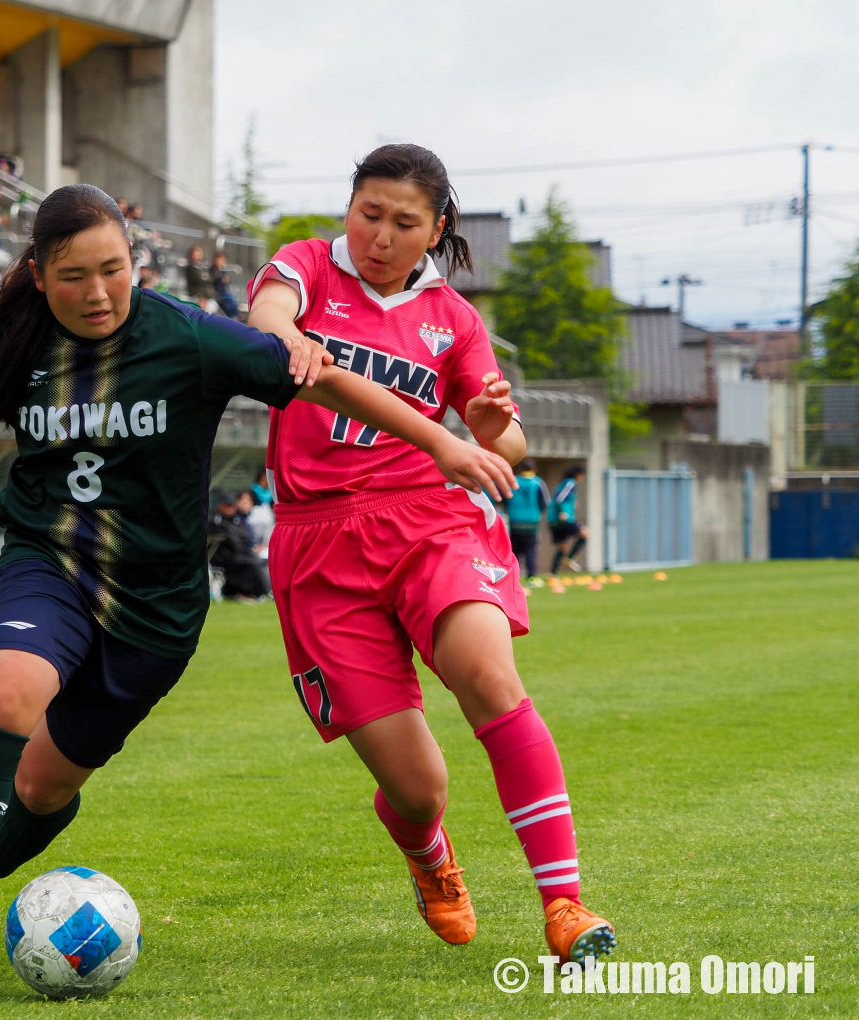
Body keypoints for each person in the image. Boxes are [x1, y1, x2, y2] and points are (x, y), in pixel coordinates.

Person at [0, 183, 514, 978]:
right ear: (38, 276)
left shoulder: (190, 337)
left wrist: (439, 441)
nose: (98, 293)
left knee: (46, 786)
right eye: (73, 276)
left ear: (136, 262)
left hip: (157, 608)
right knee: (7, 694)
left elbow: (326, 381)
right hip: (50, 561)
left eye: (113, 269)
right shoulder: (20, 348)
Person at [246, 142, 614, 967]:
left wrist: (486, 427)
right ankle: (428, 853)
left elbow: (506, 442)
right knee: (418, 789)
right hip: (317, 544)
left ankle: (564, 905)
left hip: (428, 520)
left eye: (404, 223)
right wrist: (289, 337)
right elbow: (269, 322)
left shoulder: (456, 318)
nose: (380, 236)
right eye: (368, 213)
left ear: (437, 228)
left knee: (487, 675)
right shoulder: (307, 266)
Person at [208, 491, 268, 599]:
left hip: (238, 554)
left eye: (232, 505)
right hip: (223, 558)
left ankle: (262, 592)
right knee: (252, 563)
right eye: (227, 505)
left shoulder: (237, 521)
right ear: (220, 505)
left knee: (259, 560)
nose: (230, 508)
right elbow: (232, 542)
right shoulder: (215, 521)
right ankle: (261, 593)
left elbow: (244, 539)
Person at [504, 459, 549, 580]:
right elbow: (544, 504)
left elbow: (504, 499)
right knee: (530, 550)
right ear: (534, 469)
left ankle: (513, 577)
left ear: (520, 469)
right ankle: (531, 577)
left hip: (515, 522)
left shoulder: (512, 482)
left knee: (515, 551)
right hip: (531, 523)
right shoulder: (538, 483)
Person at [548, 465, 588, 574]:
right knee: (584, 533)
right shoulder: (571, 483)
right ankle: (569, 559)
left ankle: (553, 574)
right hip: (563, 519)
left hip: (552, 520)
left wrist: (573, 503)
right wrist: (563, 512)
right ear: (578, 475)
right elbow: (560, 498)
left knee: (562, 547)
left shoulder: (563, 483)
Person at [184, 245, 215, 311]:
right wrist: (202, 297)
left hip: (208, 296)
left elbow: (211, 279)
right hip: (197, 297)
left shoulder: (204, 267)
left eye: (199, 254)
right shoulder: (191, 268)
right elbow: (199, 281)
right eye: (195, 255)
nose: (197, 257)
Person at [210, 250, 239, 318]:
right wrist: (221, 279)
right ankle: (235, 316)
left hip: (223, 292)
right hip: (216, 293)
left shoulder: (222, 271)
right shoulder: (211, 270)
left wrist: (226, 280)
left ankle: (233, 317)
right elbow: (212, 281)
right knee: (230, 299)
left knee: (229, 303)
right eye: (221, 260)